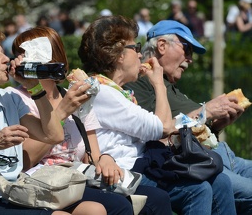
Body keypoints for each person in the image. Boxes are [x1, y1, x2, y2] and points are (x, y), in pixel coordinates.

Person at [0, 25, 109, 215]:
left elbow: (53, 135)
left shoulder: (9, 99)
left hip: (9, 195)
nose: (5, 59)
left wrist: (34, 87)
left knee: (94, 210)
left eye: (3, 52)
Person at [78, 16, 237, 215]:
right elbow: (163, 126)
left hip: (144, 163)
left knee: (220, 181)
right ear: (119, 55)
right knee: (198, 191)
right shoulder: (103, 92)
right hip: (126, 171)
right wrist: (159, 84)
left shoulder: (117, 92)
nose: (139, 54)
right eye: (134, 48)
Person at [4, 26, 139, 215]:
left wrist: (107, 159)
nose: (24, 61)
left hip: (75, 177)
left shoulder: (73, 95)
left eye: (31, 54)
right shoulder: (16, 98)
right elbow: (25, 162)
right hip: (41, 182)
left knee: (154, 198)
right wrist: (61, 112)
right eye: (20, 55)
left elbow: (92, 156)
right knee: (118, 207)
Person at [125, 20, 251, 215]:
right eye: (187, 49)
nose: (190, 59)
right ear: (162, 46)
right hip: (198, 163)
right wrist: (205, 112)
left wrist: (217, 126)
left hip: (220, 155)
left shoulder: (170, 84)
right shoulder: (142, 80)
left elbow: (189, 131)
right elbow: (158, 131)